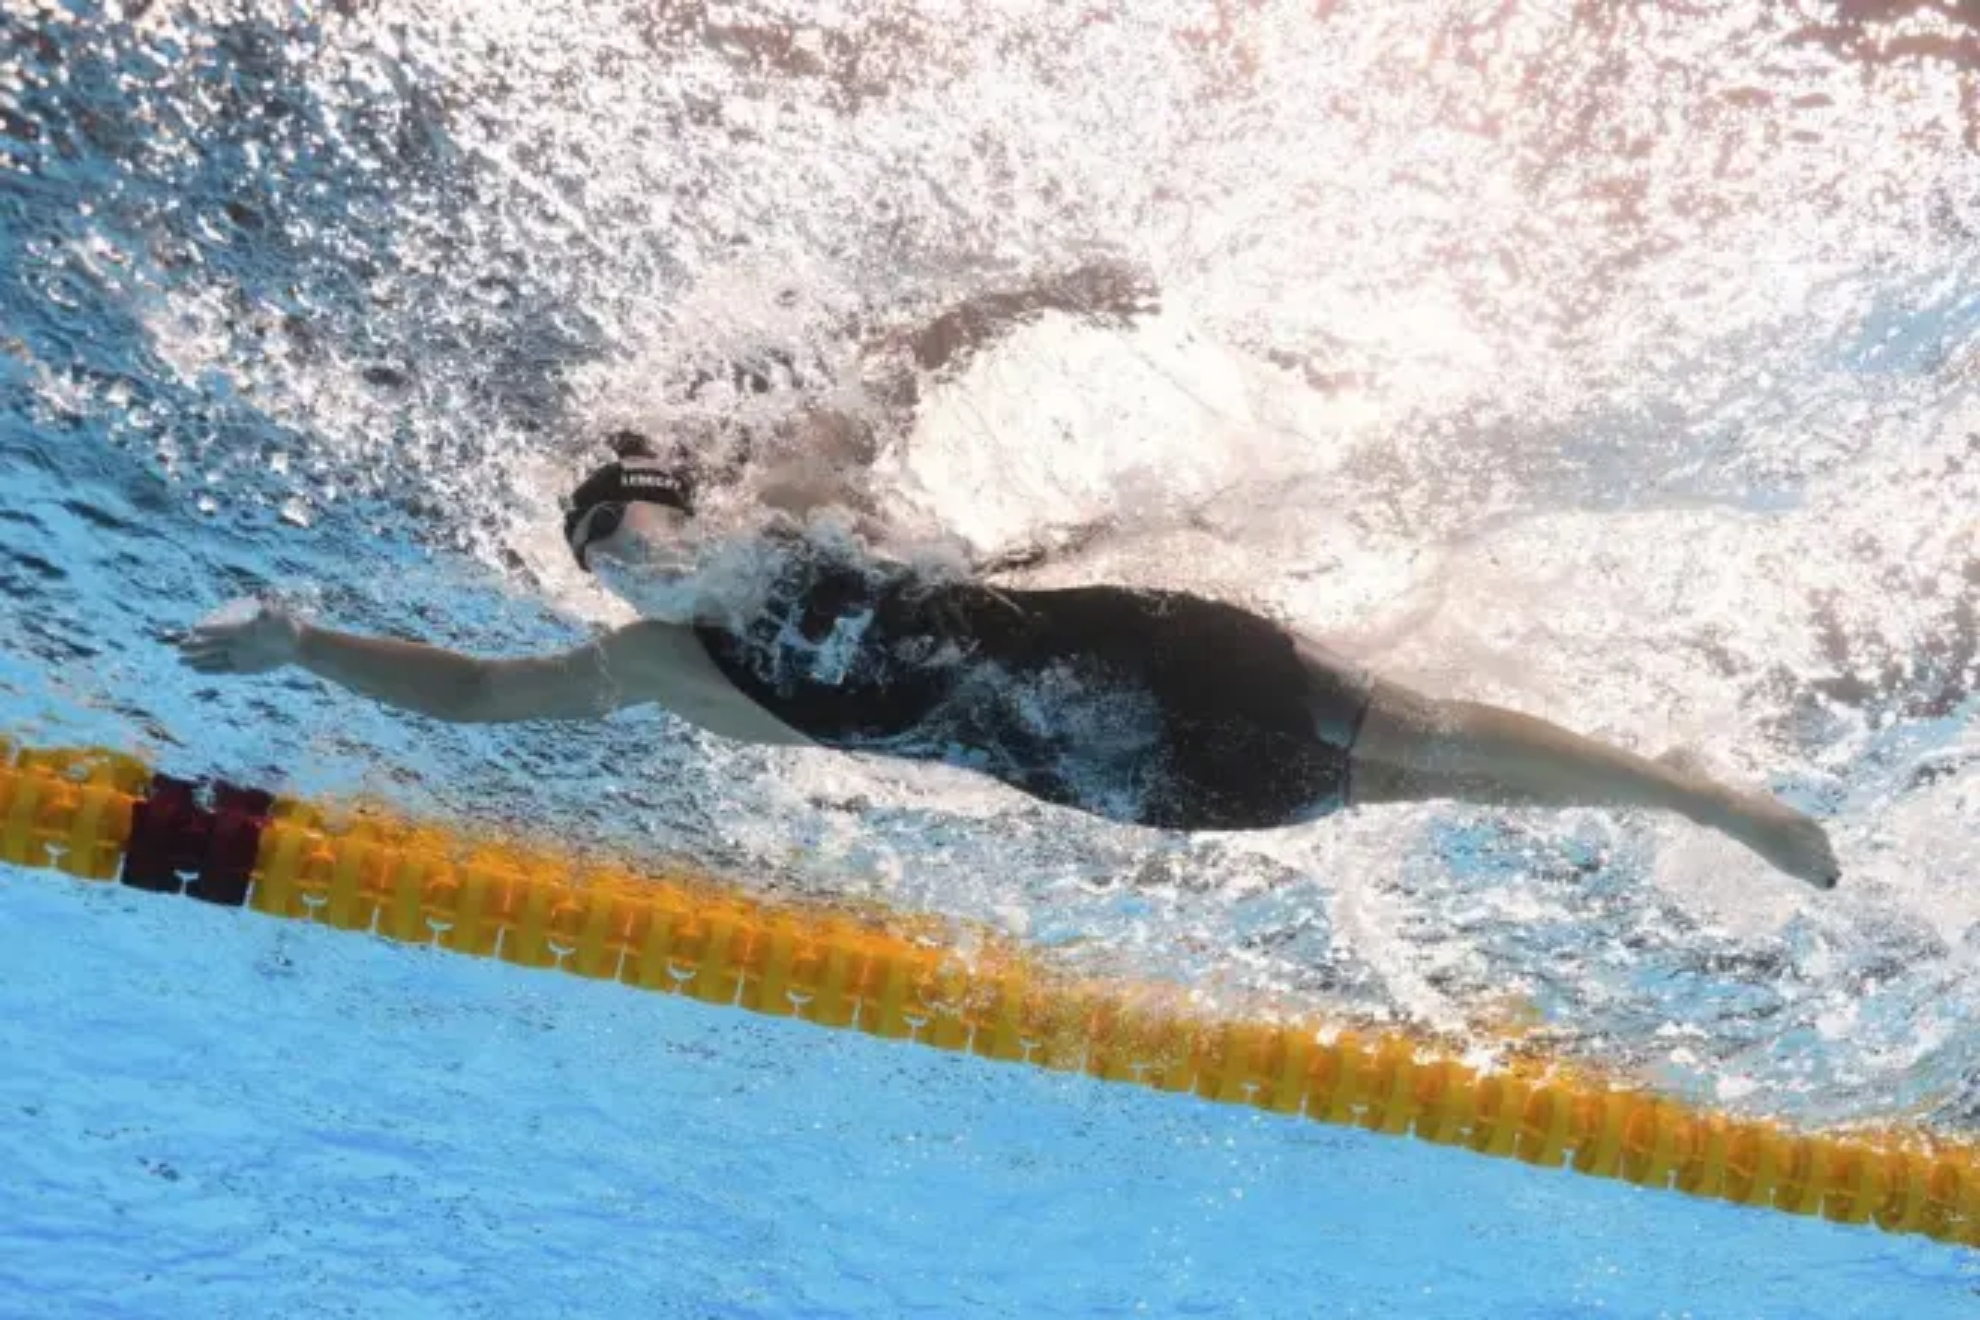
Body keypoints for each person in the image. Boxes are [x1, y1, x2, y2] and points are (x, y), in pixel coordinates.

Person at [180, 439, 1842, 890]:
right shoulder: (669, 671)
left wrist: (1040, 294)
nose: (628, 569)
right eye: (603, 564)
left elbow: (899, 374)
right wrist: (305, 646)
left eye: (633, 531)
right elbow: (477, 697)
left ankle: (1710, 805)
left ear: (690, 503)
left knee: (1423, 734)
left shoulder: (806, 507)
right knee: (1394, 786)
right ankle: (1665, 809)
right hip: (1117, 775)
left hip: (1149, 654)